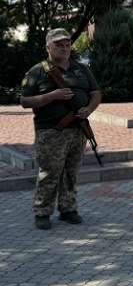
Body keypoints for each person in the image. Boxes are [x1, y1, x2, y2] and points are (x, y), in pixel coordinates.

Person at [20, 28, 102, 230]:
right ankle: (42, 212)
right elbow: (24, 101)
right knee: (49, 173)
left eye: (67, 44)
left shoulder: (81, 69)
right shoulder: (37, 71)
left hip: (78, 129)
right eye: (59, 45)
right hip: (52, 131)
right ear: (48, 47)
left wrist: (89, 109)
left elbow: (96, 92)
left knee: (71, 172)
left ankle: (68, 209)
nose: (64, 48)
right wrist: (51, 96)